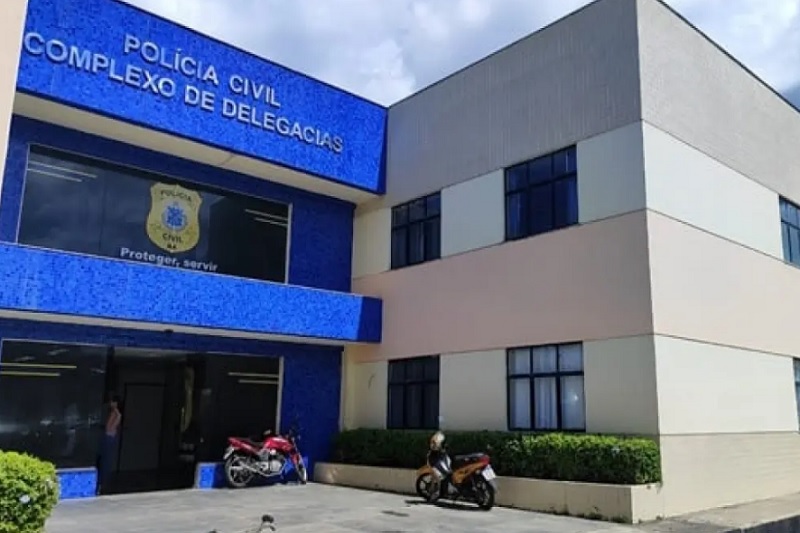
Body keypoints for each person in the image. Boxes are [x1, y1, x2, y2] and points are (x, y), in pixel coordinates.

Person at [96, 395, 122, 495]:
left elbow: (109, 427)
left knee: (105, 461)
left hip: (109, 437)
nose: (110, 404)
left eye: (112, 402)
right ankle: (102, 484)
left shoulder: (115, 414)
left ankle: (101, 484)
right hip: (110, 437)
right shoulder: (115, 413)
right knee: (105, 461)